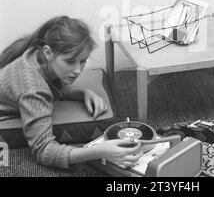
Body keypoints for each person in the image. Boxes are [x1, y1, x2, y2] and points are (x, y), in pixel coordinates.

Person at [0, 16, 142, 169]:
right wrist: (98, 152)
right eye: (69, 61)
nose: (77, 70)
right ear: (48, 53)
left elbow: (52, 86)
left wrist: (83, 93)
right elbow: (43, 151)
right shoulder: (34, 90)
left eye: (83, 61)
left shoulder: (37, 54)